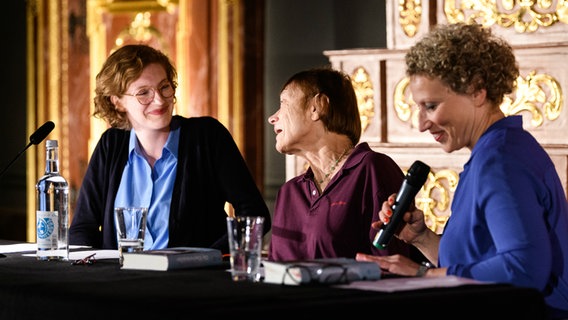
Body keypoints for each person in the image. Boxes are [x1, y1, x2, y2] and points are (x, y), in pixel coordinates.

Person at [355, 23, 568, 319]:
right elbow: (474, 264)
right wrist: (421, 238)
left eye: (431, 106)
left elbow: (525, 267)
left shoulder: (501, 162)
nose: (421, 123)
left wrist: (421, 275)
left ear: (477, 90)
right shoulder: (496, 151)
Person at [69, 44, 271, 254]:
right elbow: (83, 228)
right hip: (119, 281)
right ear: (117, 102)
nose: (159, 100)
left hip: (192, 283)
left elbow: (256, 216)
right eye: (143, 93)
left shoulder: (207, 136)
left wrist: (208, 258)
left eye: (164, 87)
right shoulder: (110, 145)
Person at [266, 66, 423, 262]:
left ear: (318, 106)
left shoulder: (371, 169)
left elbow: (391, 267)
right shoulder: (289, 192)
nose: (272, 118)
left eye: (284, 104)